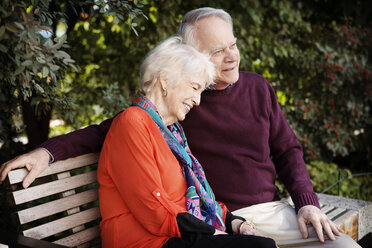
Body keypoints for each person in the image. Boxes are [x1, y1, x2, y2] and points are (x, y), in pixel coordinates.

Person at [0, 7, 361, 248]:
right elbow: (105, 132)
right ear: (190, 59)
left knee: (342, 245)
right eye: (219, 50)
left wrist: (306, 203)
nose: (232, 56)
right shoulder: (171, 108)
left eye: (233, 44)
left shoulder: (255, 89)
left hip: (260, 212)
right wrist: (46, 152)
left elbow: (288, 151)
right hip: (210, 221)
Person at [97, 35, 276, 247]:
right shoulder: (131, 123)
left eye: (201, 91)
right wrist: (214, 234)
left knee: (261, 243)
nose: (198, 101)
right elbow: (152, 208)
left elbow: (194, 196)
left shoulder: (171, 133)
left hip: (170, 235)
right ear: (164, 81)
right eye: (194, 88)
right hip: (143, 242)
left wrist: (235, 223)